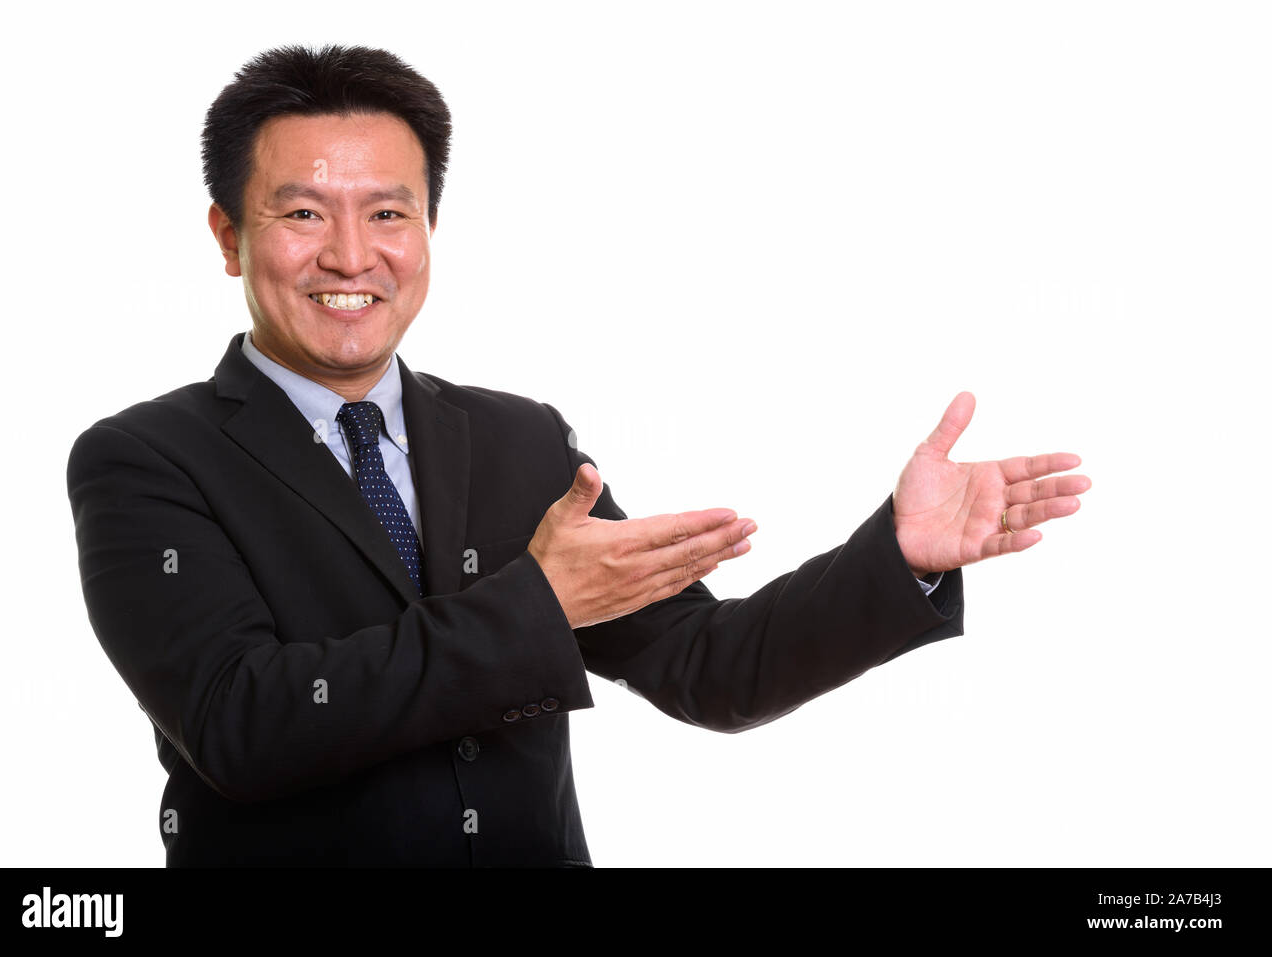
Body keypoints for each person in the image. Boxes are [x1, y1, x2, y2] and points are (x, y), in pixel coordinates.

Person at [65, 44, 1090, 867]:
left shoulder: (516, 439)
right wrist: (536, 608)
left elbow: (708, 669)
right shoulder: (145, 460)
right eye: (301, 214)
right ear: (228, 235)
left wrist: (899, 556)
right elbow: (243, 725)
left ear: (428, 228)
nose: (350, 255)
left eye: (389, 212)